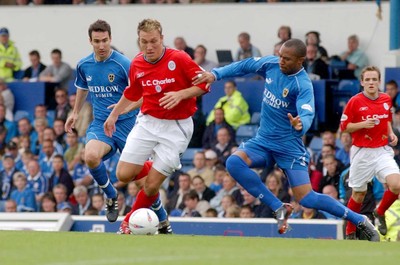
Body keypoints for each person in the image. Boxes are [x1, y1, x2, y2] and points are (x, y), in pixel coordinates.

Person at [194, 38, 379, 241]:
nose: (281, 61)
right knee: (233, 162)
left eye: (287, 58)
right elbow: (244, 65)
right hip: (263, 142)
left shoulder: (302, 84)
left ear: (300, 61)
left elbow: (307, 111)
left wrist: (302, 124)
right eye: (280, 55)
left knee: (307, 198)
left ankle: (359, 219)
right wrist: (215, 74)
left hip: (289, 147)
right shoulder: (271, 64)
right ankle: (278, 207)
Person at [103, 18, 208, 234]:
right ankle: (155, 167)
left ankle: (128, 224)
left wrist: (182, 93)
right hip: (148, 123)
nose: (149, 47)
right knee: (123, 174)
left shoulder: (179, 58)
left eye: (153, 41)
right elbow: (132, 93)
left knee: (151, 186)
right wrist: (114, 115)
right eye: (144, 42)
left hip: (177, 127)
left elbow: (205, 83)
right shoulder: (138, 63)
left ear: (162, 38)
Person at [65, 20, 169, 226]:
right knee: (91, 156)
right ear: (90, 41)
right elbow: (82, 87)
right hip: (102, 124)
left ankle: (163, 220)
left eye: (105, 40)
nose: (101, 45)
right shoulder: (84, 65)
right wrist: (75, 112)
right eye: (97, 41)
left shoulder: (124, 64)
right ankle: (111, 196)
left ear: (110, 39)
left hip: (130, 126)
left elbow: (143, 94)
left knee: (143, 182)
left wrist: (125, 109)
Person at [340, 65, 400, 239]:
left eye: (374, 79)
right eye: (368, 79)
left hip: (382, 150)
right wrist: (362, 125)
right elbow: (344, 128)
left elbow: (386, 119)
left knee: (396, 184)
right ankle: (350, 231)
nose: (371, 82)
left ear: (379, 81)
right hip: (362, 152)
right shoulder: (355, 101)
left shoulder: (386, 99)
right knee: (359, 194)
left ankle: (379, 212)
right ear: (362, 82)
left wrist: (390, 134)